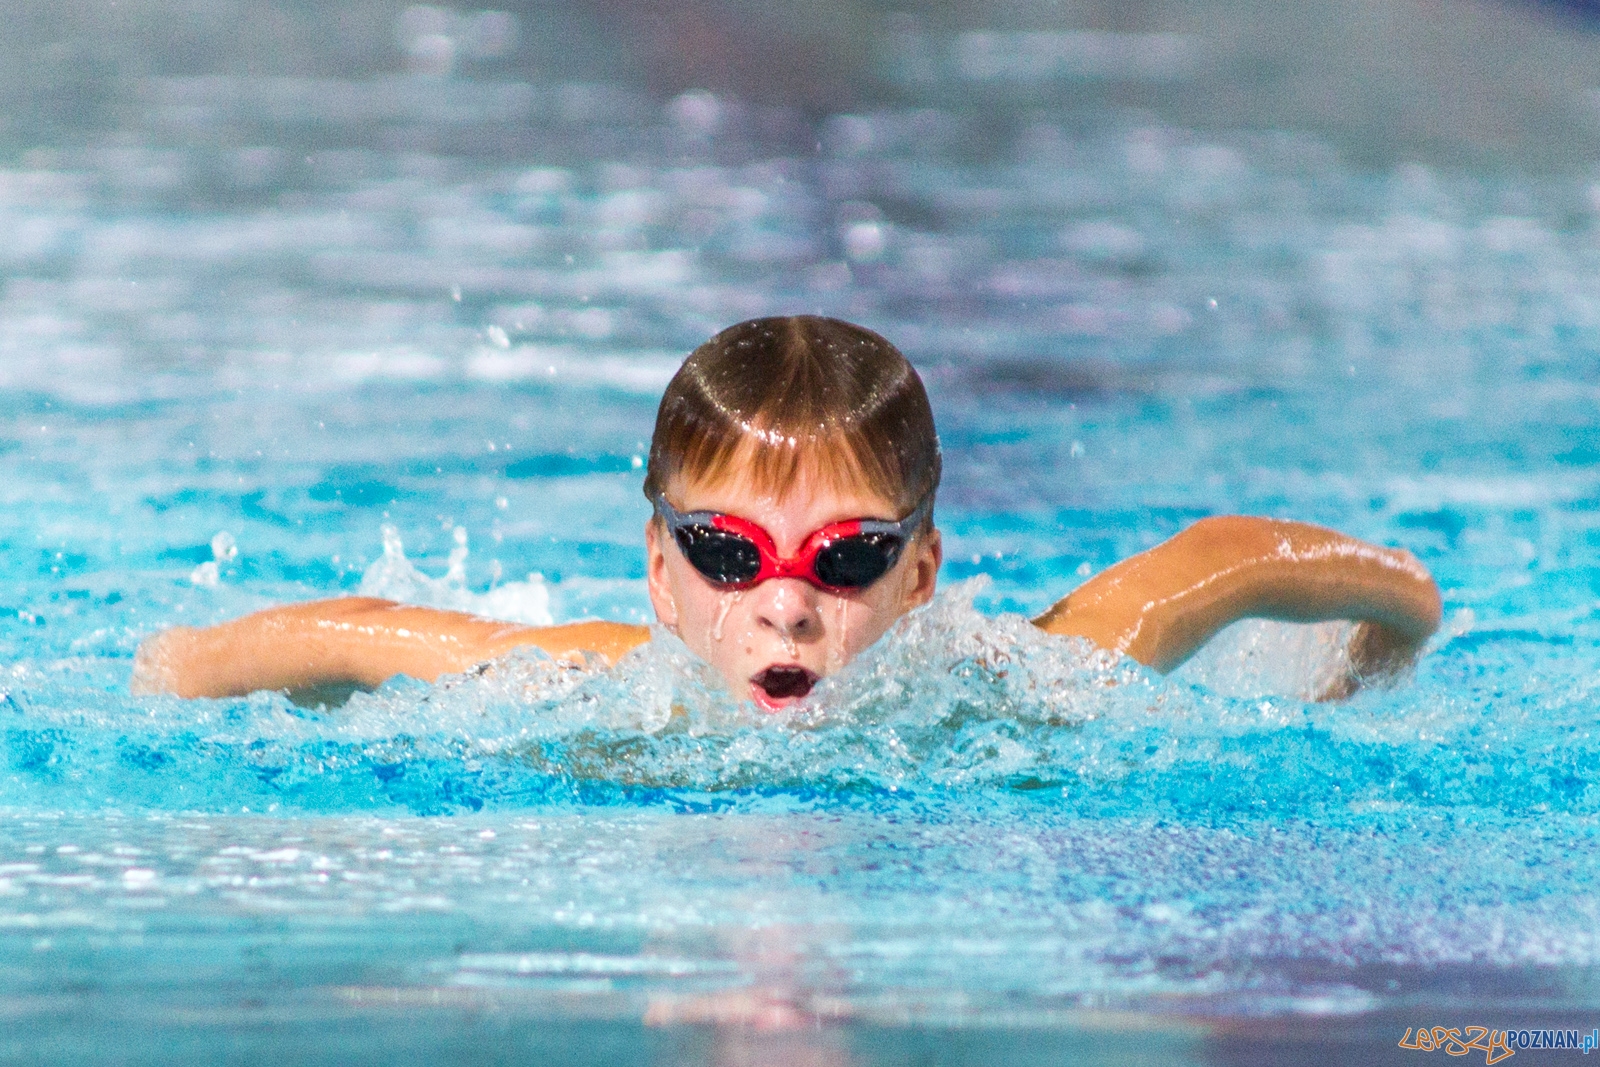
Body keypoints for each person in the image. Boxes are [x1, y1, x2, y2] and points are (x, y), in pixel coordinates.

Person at [132, 316, 1442, 708]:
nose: (784, 599)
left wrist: (1363, 683)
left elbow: (1240, 561)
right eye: (724, 549)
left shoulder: (1031, 682)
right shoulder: (586, 692)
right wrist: (159, 678)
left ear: (922, 575)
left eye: (850, 555)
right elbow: (349, 632)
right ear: (659, 571)